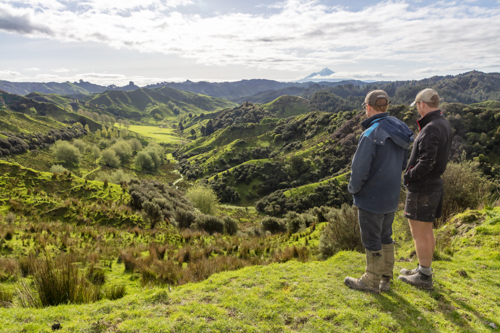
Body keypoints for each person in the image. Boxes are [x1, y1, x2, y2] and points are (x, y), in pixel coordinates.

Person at [345, 90, 414, 293]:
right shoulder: (400, 129)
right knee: (386, 236)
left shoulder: (370, 134)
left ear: (368, 107)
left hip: (371, 198)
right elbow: (403, 163)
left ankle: (371, 280)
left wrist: (354, 190)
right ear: (386, 106)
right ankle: (385, 278)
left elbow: (359, 171)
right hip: (391, 196)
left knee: (371, 238)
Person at [398, 88, 452, 290]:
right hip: (434, 184)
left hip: (423, 187)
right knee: (427, 230)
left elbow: (426, 162)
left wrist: (409, 176)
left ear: (421, 104)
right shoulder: (443, 123)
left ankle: (423, 278)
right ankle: (423, 270)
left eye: (417, 106)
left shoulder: (430, 129)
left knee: (419, 233)